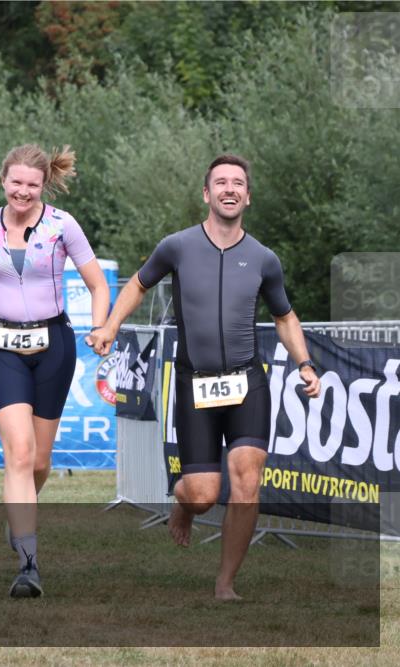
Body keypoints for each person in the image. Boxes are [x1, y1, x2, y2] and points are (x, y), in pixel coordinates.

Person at [90, 154, 321, 600]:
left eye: (238, 183)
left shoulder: (263, 259)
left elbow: (285, 316)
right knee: (201, 495)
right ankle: (184, 505)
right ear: (206, 193)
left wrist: (305, 363)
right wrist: (111, 326)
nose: (229, 189)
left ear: (248, 197)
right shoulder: (176, 246)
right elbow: (138, 284)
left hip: (247, 382)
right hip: (194, 383)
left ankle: (225, 583)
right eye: (220, 182)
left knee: (248, 477)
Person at [0, 144, 109, 598]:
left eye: (32, 185)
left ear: (43, 185)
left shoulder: (62, 225)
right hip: (1, 345)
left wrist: (102, 326)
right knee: (18, 451)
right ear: (3, 180)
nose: (23, 192)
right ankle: (28, 564)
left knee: (38, 461)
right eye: (16, 183)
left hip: (55, 344)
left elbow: (97, 283)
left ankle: (20, 511)